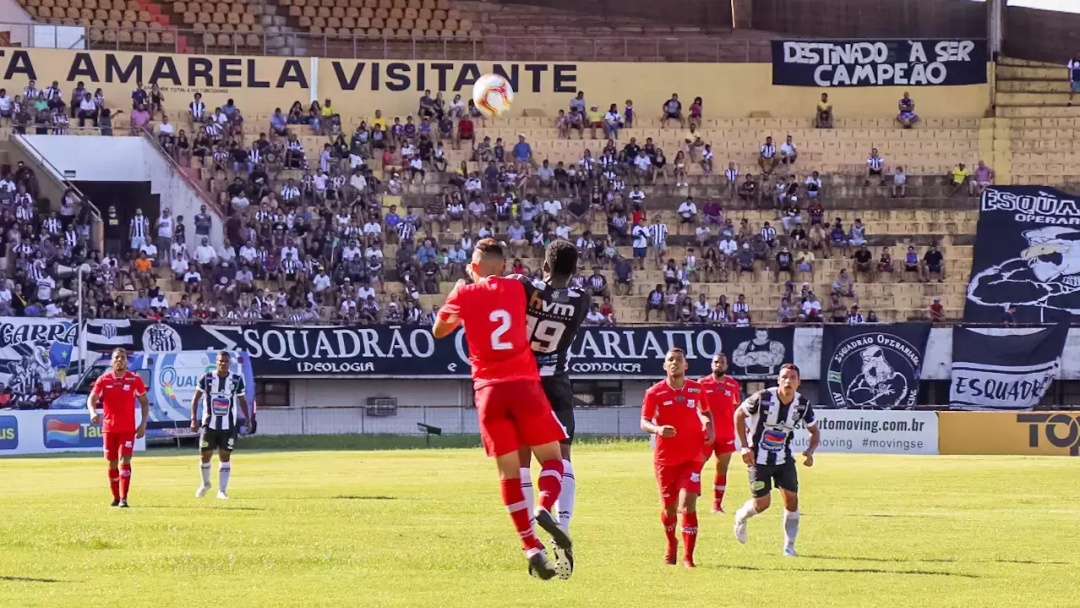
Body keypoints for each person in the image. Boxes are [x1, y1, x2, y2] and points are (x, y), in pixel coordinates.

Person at [431, 238, 571, 580]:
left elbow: (439, 331)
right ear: (503, 265)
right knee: (553, 459)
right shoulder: (517, 287)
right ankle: (544, 505)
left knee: (509, 475)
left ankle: (531, 547)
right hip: (524, 385)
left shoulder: (463, 294)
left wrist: (459, 294)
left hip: (488, 392)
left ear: (474, 265)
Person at [513, 240, 589, 579]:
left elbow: (516, 290)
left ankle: (534, 542)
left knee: (523, 463)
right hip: (557, 383)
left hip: (523, 382)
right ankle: (563, 525)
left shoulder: (524, 288)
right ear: (573, 271)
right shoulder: (582, 300)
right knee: (563, 458)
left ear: (545, 266)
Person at [732, 364, 819, 557]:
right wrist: (745, 446)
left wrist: (810, 451)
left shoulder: (802, 405)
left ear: (799, 382)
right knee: (762, 504)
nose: (788, 381)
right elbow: (739, 414)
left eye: (792, 377)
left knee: (792, 501)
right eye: (784, 377)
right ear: (779, 380)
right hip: (758, 460)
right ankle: (741, 516)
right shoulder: (762, 398)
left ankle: (789, 547)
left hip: (784, 460)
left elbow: (814, 432)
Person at [640, 348, 714, 568]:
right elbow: (644, 422)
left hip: (692, 457)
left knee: (687, 504)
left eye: (679, 360)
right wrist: (658, 429)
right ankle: (671, 545)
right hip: (665, 460)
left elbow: (705, 411)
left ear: (686, 365)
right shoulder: (654, 392)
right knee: (669, 508)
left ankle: (688, 557)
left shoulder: (697, 389)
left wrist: (709, 427)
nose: (675, 363)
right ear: (665, 366)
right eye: (670, 360)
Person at [86, 348, 149, 508]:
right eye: (116, 358)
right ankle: (115, 497)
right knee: (112, 463)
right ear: (111, 361)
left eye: (122, 358)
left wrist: (142, 424)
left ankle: (124, 498)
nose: (119, 360)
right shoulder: (104, 379)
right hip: (109, 429)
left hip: (127, 429)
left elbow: (144, 402)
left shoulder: (134, 380)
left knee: (125, 460)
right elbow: (92, 398)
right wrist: (92, 411)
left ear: (126, 361)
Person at [190, 351, 252, 500]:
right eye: (220, 361)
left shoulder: (236, 380)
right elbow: (196, 399)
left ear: (229, 363)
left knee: (225, 456)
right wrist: (193, 418)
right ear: (216, 362)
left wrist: (247, 419)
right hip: (208, 424)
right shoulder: (207, 378)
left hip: (228, 426)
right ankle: (205, 484)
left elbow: (242, 400)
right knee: (205, 455)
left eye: (225, 361)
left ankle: (222, 491)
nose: (223, 363)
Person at [698, 353, 741, 513]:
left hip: (726, 434)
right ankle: (687, 502)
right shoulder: (702, 383)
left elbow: (736, 408)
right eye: (716, 362)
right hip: (706, 434)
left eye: (722, 362)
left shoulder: (733, 385)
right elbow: (697, 408)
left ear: (726, 366)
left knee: (722, 468)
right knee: (695, 466)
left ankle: (717, 505)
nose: (719, 365)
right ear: (711, 365)